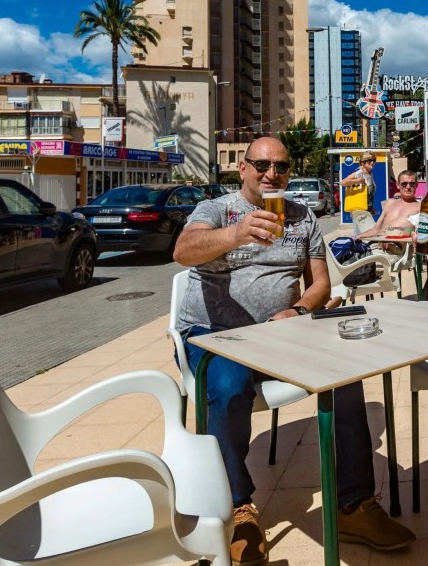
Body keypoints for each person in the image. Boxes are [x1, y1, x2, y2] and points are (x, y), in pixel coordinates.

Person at [173, 137, 415, 566]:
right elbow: (182, 251)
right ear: (243, 169)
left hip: (279, 335)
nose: (272, 174)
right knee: (228, 383)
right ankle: (237, 509)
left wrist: (299, 309)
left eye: (281, 167)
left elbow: (320, 282)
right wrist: (236, 233)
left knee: (346, 371)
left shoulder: (302, 217)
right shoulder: (217, 210)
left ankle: (353, 505)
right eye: (262, 165)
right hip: (217, 335)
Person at [356, 169, 422, 256]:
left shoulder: (421, 207)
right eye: (404, 184)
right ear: (398, 185)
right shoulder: (390, 203)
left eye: (412, 184)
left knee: (359, 261)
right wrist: (357, 237)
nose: (408, 187)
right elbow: (376, 229)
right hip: (375, 245)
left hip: (394, 249)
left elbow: (424, 233)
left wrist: (392, 238)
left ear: (417, 185)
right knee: (344, 254)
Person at [341, 151, 378, 216]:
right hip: (358, 212)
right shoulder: (358, 173)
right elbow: (342, 182)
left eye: (374, 160)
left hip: (367, 211)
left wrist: (371, 208)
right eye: (369, 160)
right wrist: (358, 181)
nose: (372, 162)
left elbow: (369, 195)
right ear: (362, 162)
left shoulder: (370, 174)